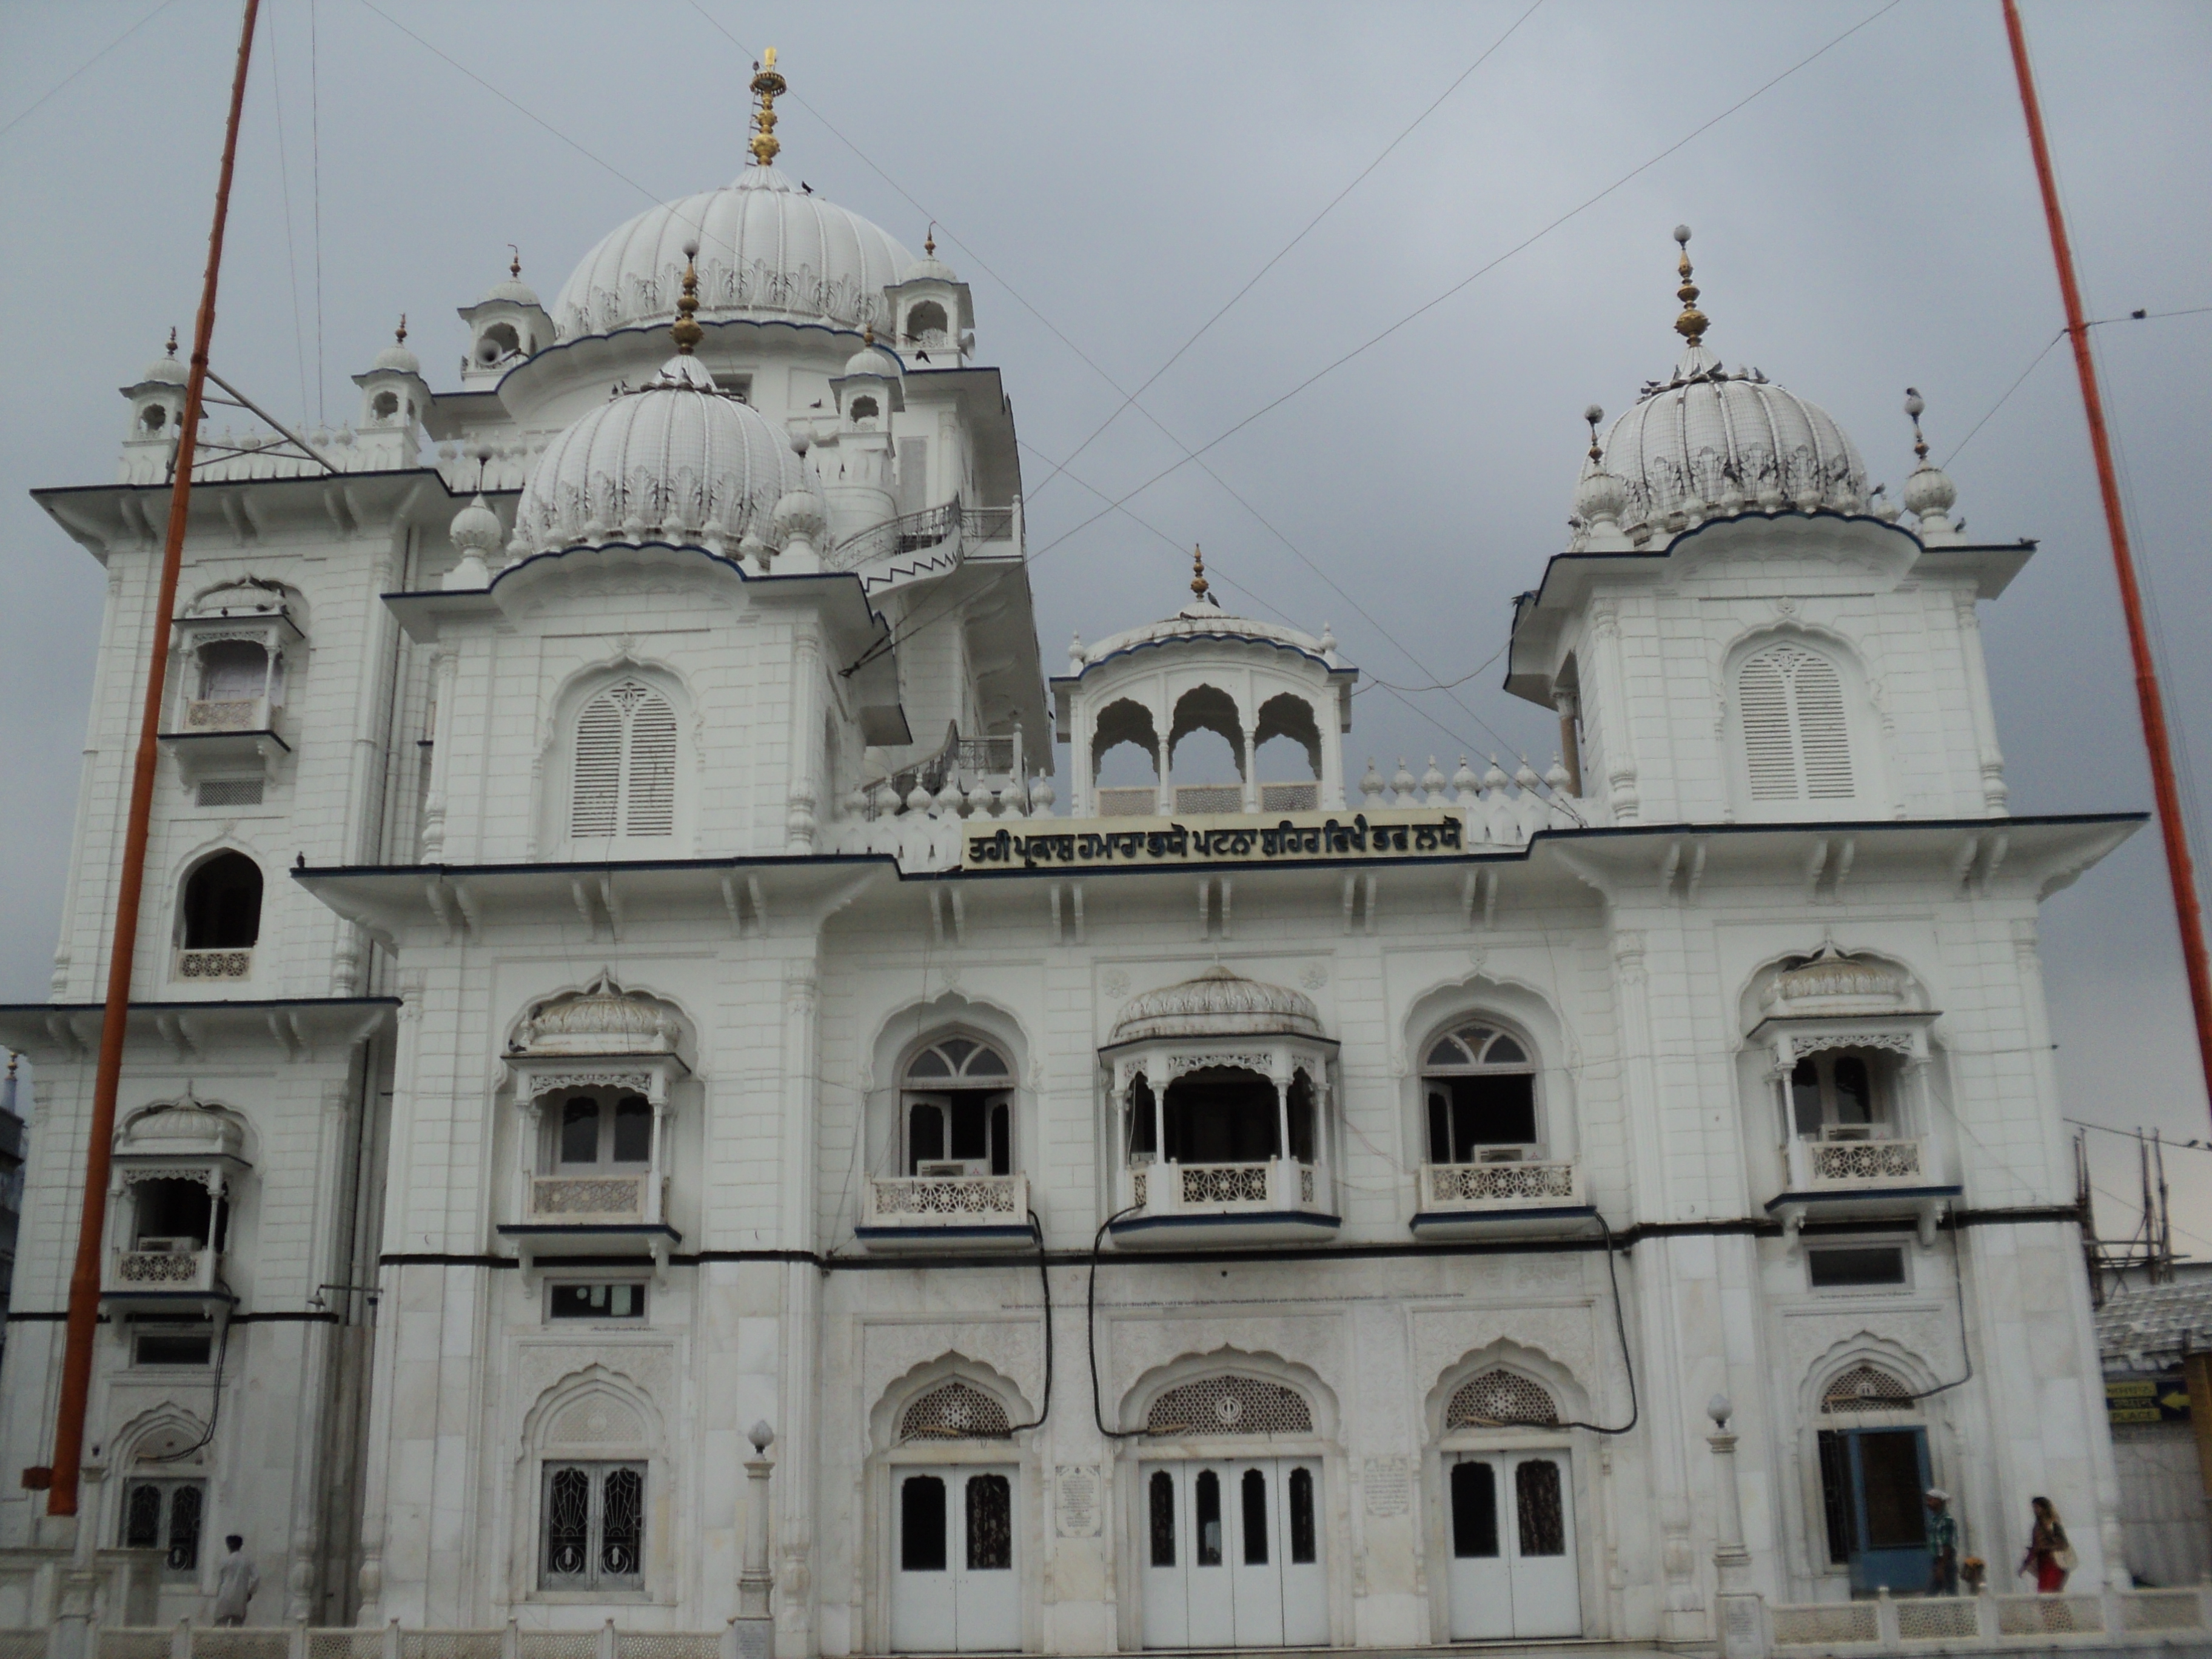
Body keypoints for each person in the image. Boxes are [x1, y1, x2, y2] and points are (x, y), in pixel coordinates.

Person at [2017, 1496, 2072, 1593]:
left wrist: (2047, 1547)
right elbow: (2035, 1547)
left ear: (2044, 1508)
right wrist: (2025, 1565)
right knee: (2044, 1590)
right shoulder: (2037, 1526)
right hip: (2043, 1562)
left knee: (2049, 1590)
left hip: (2054, 1562)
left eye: (2037, 1507)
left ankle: (2058, 1608)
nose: (2035, 1510)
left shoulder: (2052, 1524)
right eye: (2034, 1508)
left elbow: (2064, 1544)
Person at [212, 1535, 258, 1626]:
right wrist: (250, 1592)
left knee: (220, 1625)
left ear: (228, 1545)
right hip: (240, 1597)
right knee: (237, 1626)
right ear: (241, 1545)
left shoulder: (224, 1561)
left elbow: (219, 1581)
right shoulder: (247, 1561)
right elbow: (256, 1577)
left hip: (224, 1596)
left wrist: (217, 1594)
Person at [1923, 1488, 1959, 1595]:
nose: (1928, 1504)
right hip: (1938, 1562)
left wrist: (1941, 1567)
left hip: (1945, 1562)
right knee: (1935, 1594)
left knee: (1949, 1594)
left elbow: (1947, 1544)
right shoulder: (1935, 1521)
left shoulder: (1947, 1521)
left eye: (1931, 1500)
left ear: (1939, 1501)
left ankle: (1956, 1611)